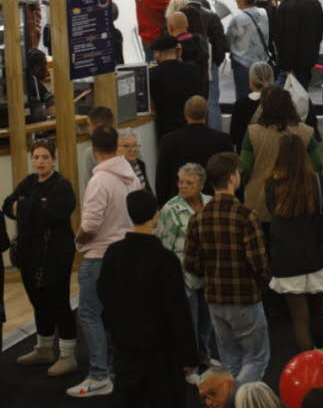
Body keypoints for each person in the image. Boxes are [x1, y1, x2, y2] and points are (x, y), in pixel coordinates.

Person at [97, 188, 197, 405]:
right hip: (161, 351)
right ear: (156, 214)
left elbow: (104, 293)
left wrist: (114, 326)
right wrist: (188, 354)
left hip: (125, 344)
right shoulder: (165, 259)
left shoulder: (113, 253)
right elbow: (177, 309)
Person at [185, 151, 271, 384]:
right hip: (245, 298)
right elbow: (259, 263)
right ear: (232, 178)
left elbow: (190, 263)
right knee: (256, 359)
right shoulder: (245, 216)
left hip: (215, 299)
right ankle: (238, 399)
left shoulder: (198, 218)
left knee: (230, 360)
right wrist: (262, 285)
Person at [67, 124, 138, 397]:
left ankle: (99, 374)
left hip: (98, 257)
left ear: (93, 149)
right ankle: (113, 366)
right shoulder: (131, 174)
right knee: (114, 314)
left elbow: (91, 224)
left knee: (89, 314)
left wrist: (78, 241)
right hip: (124, 253)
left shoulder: (99, 181)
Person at [267, 140, 323, 348]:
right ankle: (320, 350)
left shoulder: (272, 184)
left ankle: (306, 361)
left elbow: (271, 212)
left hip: (285, 258)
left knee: (299, 317)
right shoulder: (317, 181)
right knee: (319, 311)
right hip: (317, 255)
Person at [4, 140, 77, 376]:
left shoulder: (62, 185)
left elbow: (55, 213)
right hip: (30, 253)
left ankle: (67, 354)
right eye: (36, 157)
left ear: (53, 159)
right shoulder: (29, 182)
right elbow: (7, 205)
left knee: (58, 301)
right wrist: (36, 207)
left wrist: (24, 207)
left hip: (56, 253)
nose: (40, 162)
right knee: (38, 301)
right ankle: (44, 348)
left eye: (45, 157)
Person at [153, 162, 214, 380]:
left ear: (201, 185)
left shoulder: (211, 203)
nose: (183, 186)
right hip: (183, 274)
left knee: (207, 320)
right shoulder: (170, 209)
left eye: (189, 183)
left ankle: (205, 356)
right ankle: (191, 365)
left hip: (209, 274)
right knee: (190, 321)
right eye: (180, 182)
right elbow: (163, 245)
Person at [240, 86, 321, 229]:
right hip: (296, 202)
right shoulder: (305, 132)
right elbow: (318, 165)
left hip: (259, 203)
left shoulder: (252, 133)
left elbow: (244, 167)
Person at [156, 95, 234, 200]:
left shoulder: (169, 140)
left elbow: (162, 179)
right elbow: (230, 174)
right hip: (213, 201)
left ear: (185, 114)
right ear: (207, 114)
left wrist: (163, 205)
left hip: (179, 203)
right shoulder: (222, 140)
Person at [275, 0, 323, 103]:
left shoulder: (286, 7)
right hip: (309, 59)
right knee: (302, 95)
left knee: (287, 100)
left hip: (292, 64)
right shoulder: (314, 3)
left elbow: (285, 38)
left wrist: (286, 65)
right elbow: (320, 30)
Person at [226, 0, 272, 101]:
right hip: (263, 63)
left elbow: (227, 41)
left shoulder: (238, 19)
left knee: (244, 100)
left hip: (243, 65)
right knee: (263, 99)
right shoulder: (263, 13)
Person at [231, 62, 274, 155]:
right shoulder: (278, 102)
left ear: (251, 80)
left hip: (247, 154)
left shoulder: (240, 105)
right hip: (273, 154)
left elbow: (234, 137)